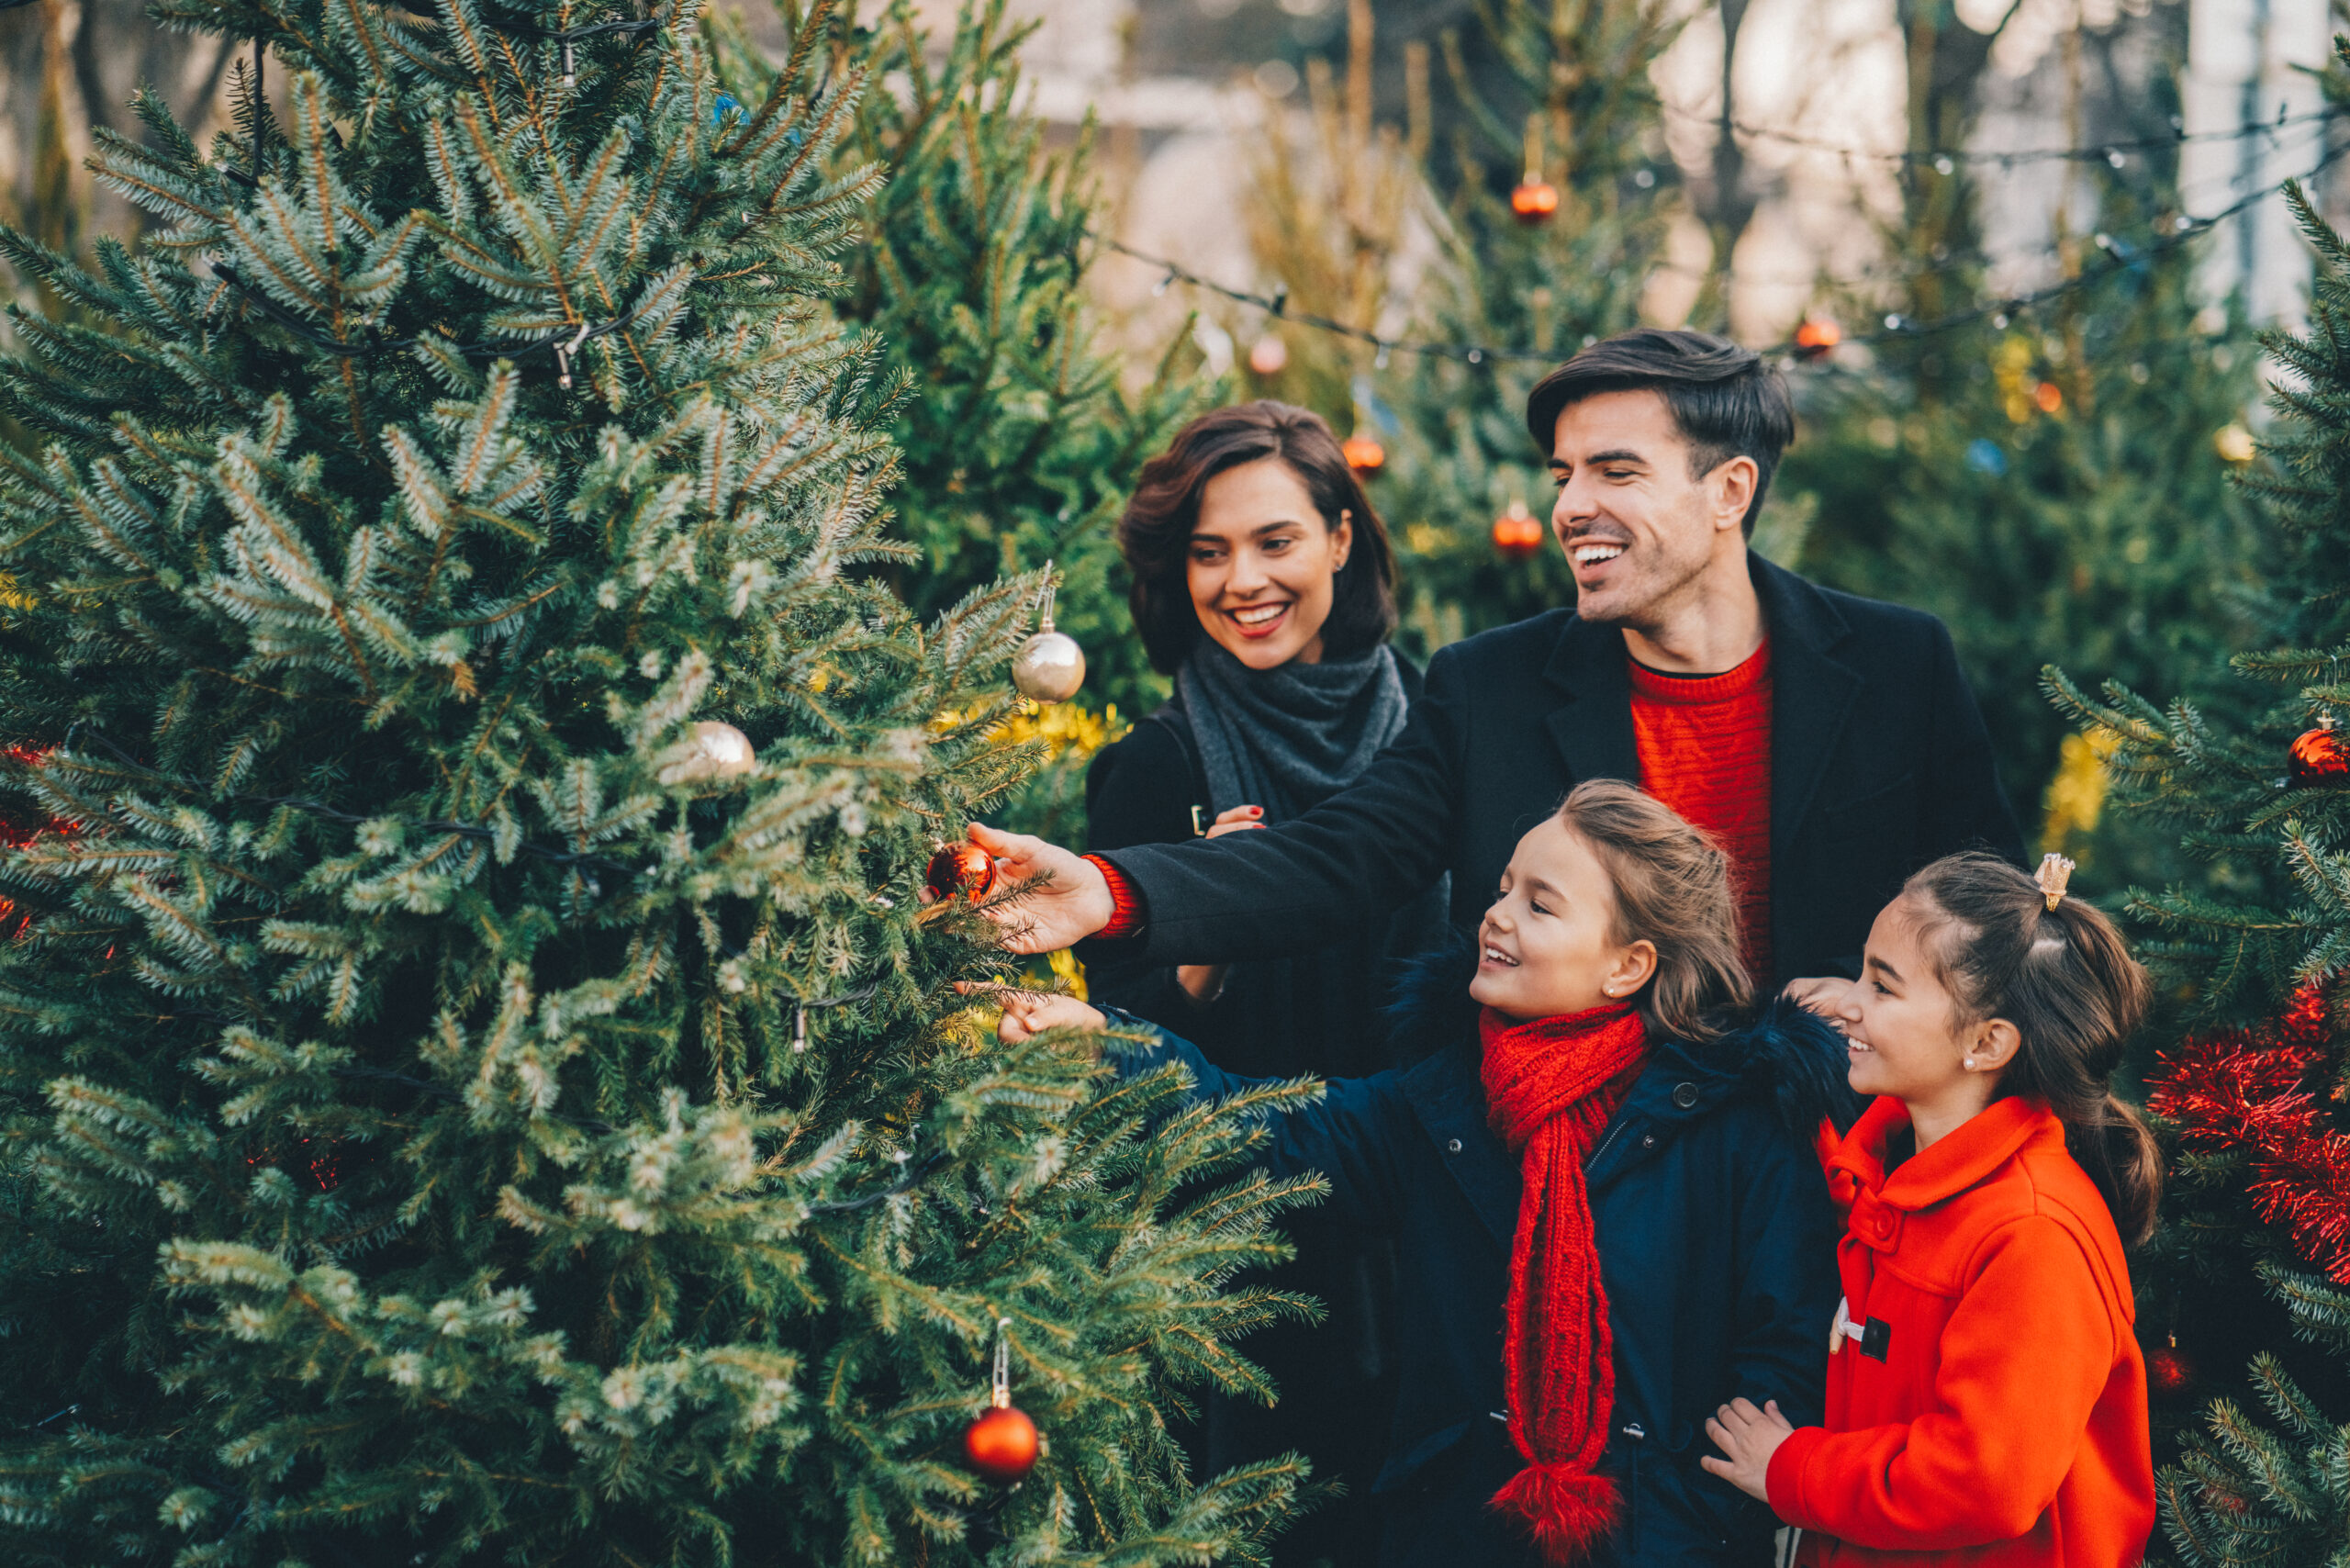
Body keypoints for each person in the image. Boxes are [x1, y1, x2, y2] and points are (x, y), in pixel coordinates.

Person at [968, 328, 2026, 1002]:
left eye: (1616, 470)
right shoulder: (1492, 688)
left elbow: (1992, 920)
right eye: (1563, 473)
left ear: (1729, 490)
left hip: (1830, 1193)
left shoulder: (1896, 666)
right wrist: (1111, 888)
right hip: (1587, 1200)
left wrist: (1895, 1004)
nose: (1569, 507)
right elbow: (1339, 856)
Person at [985, 781, 1852, 1566]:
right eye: (1502, 887)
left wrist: (1693, 1523)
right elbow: (1257, 1129)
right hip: (1462, 1532)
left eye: (1540, 905)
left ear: (1628, 966)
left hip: (1664, 1543)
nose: (1497, 916)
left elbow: (1783, 1348)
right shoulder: (1441, 1107)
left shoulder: (1738, 1129)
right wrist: (1107, 1044)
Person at [1080, 401, 1448, 1565]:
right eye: (1208, 551)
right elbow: (1114, 1055)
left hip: (1431, 1221)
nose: (1243, 580)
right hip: (1247, 1262)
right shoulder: (1154, 768)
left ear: (1342, 539)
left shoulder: (1439, 730)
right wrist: (1197, 956)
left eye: (1275, 540)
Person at [1701, 852, 2159, 1567]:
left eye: (1882, 987)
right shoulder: (1891, 1175)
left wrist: (1795, 1469)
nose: (1847, 1002)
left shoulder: (2032, 1236)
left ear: (1985, 1044)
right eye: (1860, 971)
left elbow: (1985, 1481)